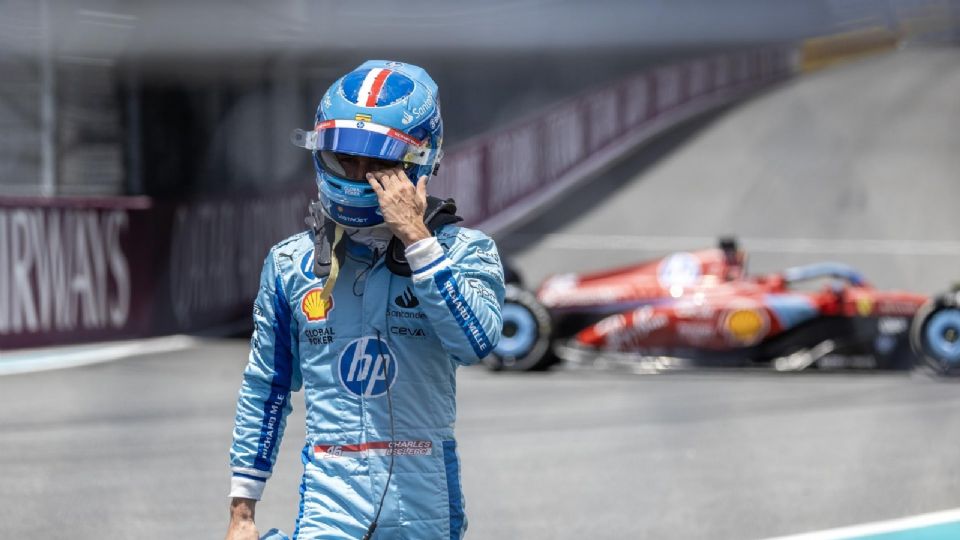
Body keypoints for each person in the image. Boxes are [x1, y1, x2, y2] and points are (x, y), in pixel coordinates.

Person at [225, 60, 504, 540]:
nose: (357, 174)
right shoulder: (290, 264)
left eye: (376, 163)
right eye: (345, 158)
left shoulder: (465, 251)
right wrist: (242, 513)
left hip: (426, 500)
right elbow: (265, 389)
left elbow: (475, 343)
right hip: (331, 503)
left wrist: (418, 241)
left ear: (419, 161)